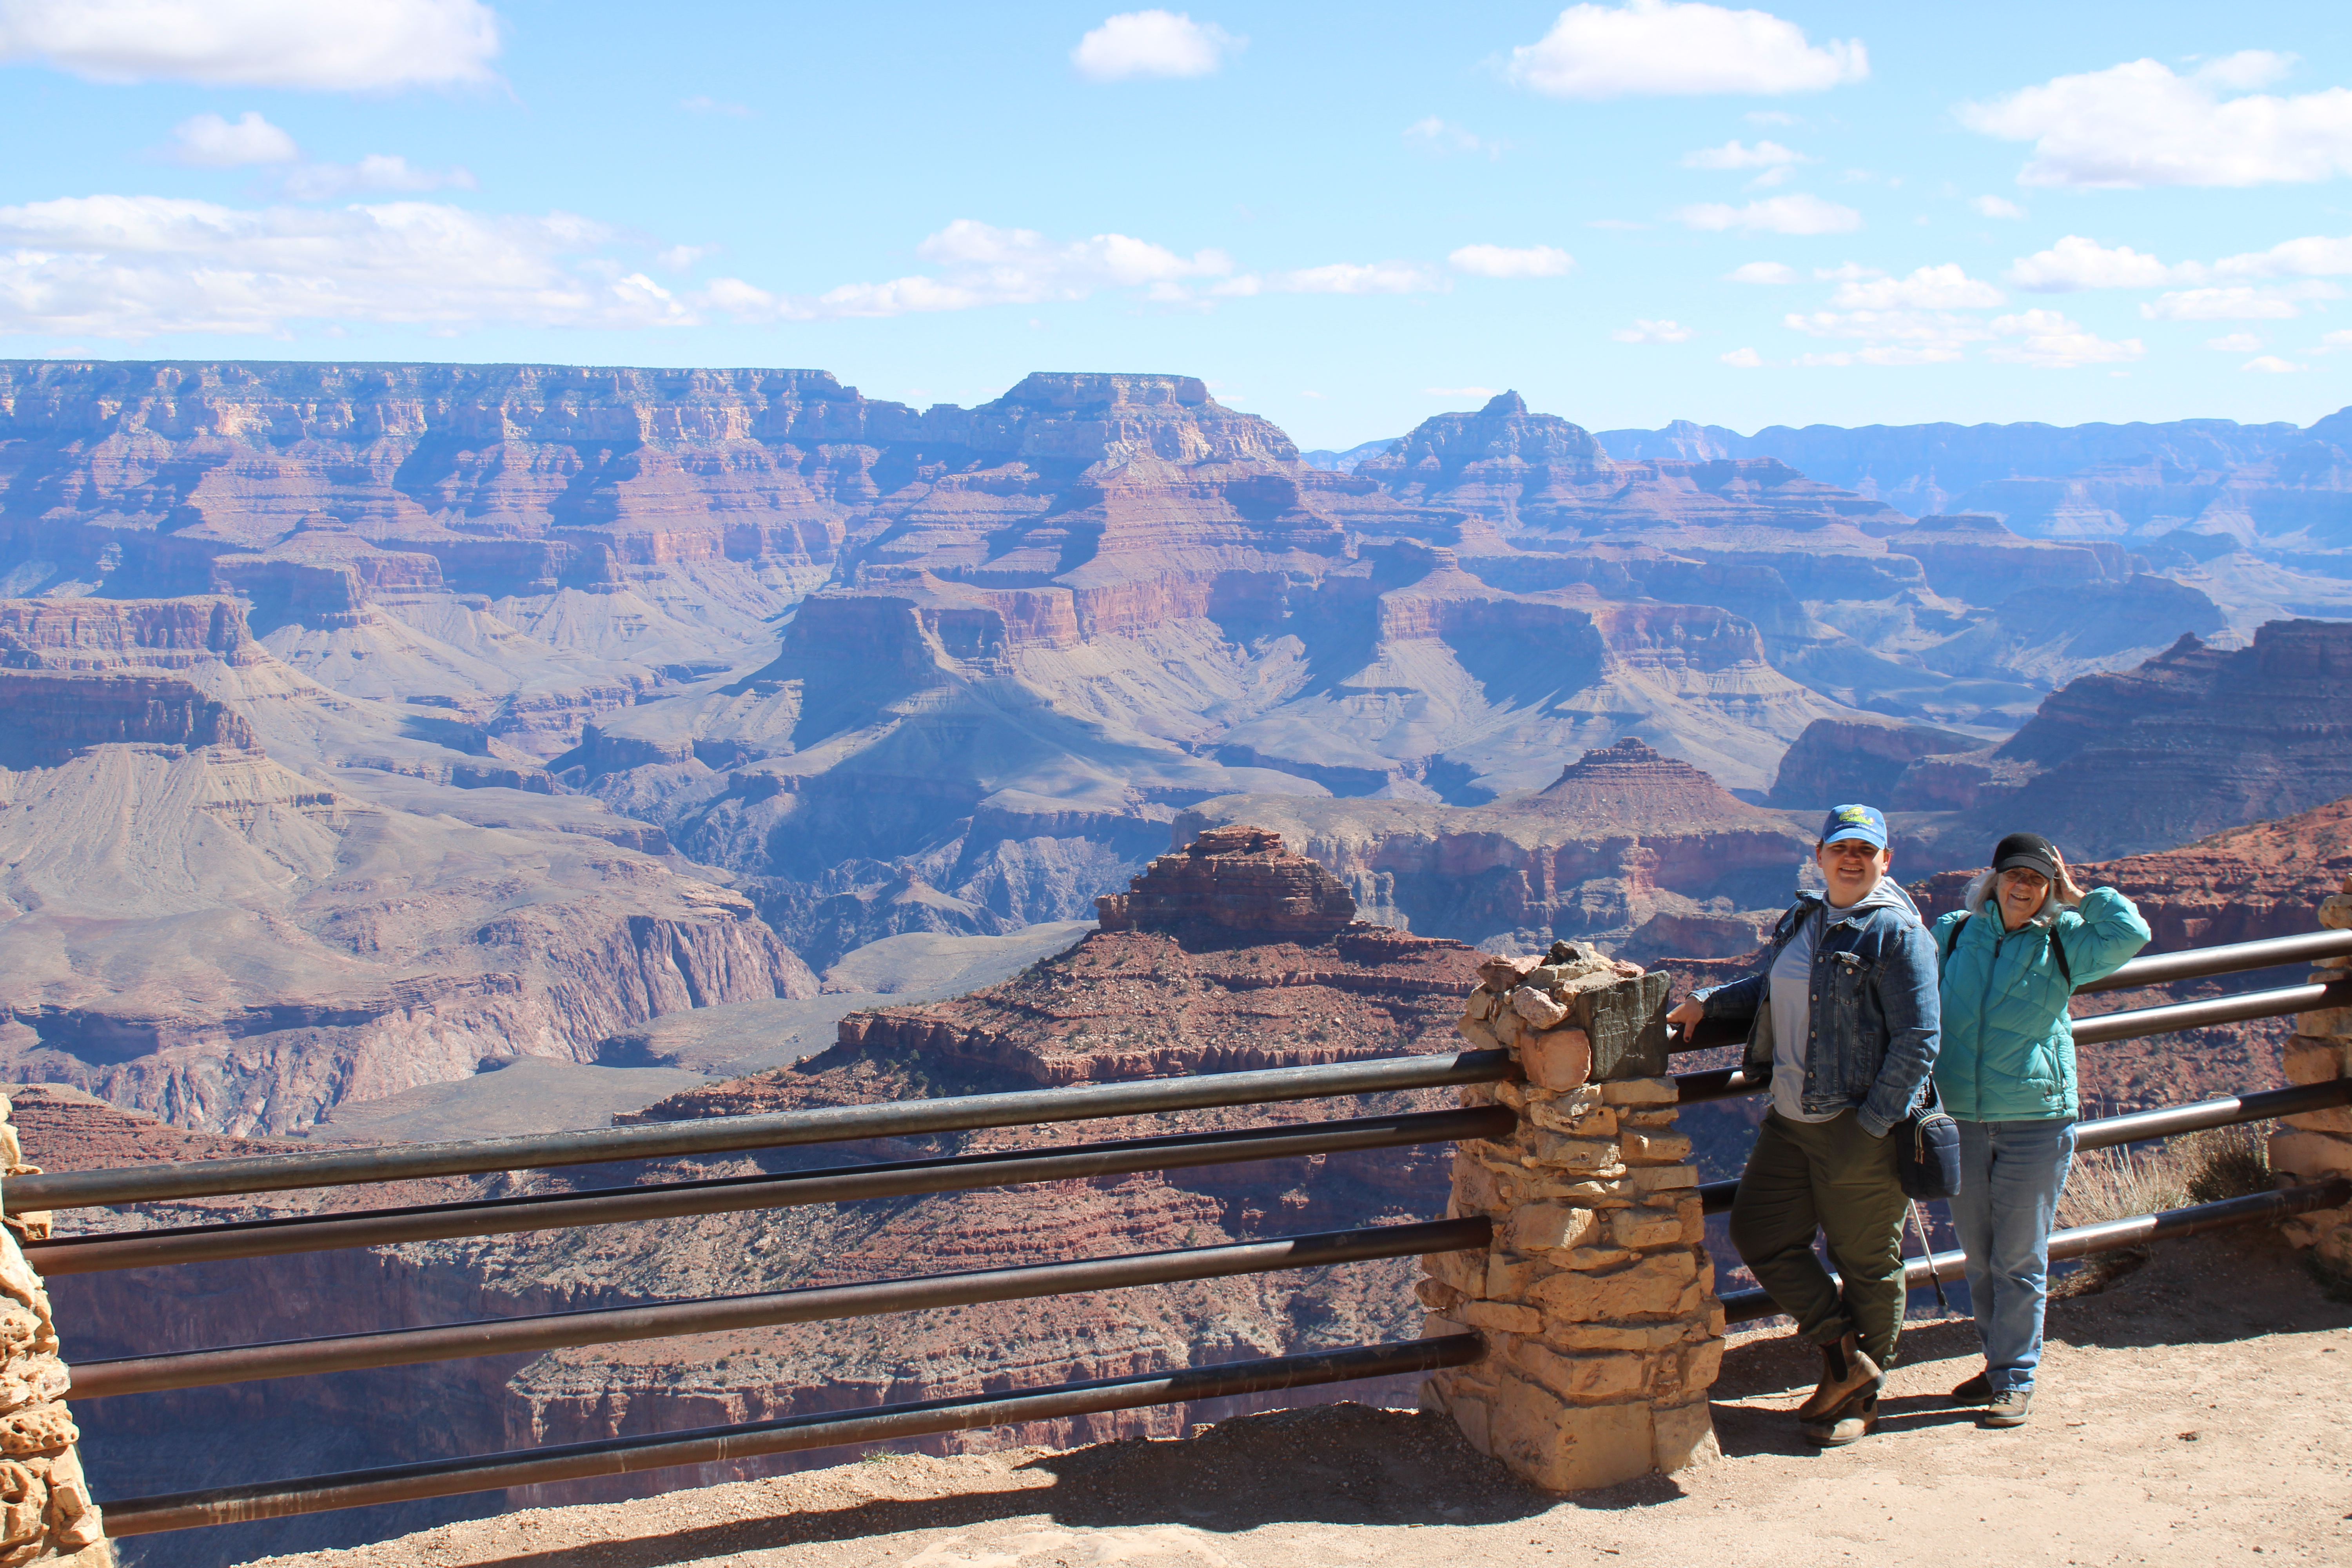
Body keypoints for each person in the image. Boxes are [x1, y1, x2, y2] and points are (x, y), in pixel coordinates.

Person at [1666, 803, 1940, 1447]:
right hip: (1791, 1119)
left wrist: (1871, 1124)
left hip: (1856, 1127)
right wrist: (1707, 1002)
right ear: (1819, 855)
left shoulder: (1896, 934)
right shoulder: (1811, 917)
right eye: (1840, 848)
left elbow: (1921, 1039)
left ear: (1885, 861)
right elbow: (1776, 985)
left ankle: (1859, 1403)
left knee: (1868, 1262)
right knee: (1759, 1233)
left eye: (1865, 852)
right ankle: (1845, 1356)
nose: (1851, 860)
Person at [1931, 831, 2149, 1430]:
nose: (2023, 887)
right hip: (1962, 1119)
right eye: (2013, 875)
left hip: (2036, 1119)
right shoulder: (1953, 932)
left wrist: (2080, 895)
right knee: (1979, 1256)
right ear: (1993, 879)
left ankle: (2016, 1378)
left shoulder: (2065, 939)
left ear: (2050, 885)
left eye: (2037, 878)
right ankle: (1996, 1362)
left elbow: (2131, 934)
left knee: (2020, 1257)